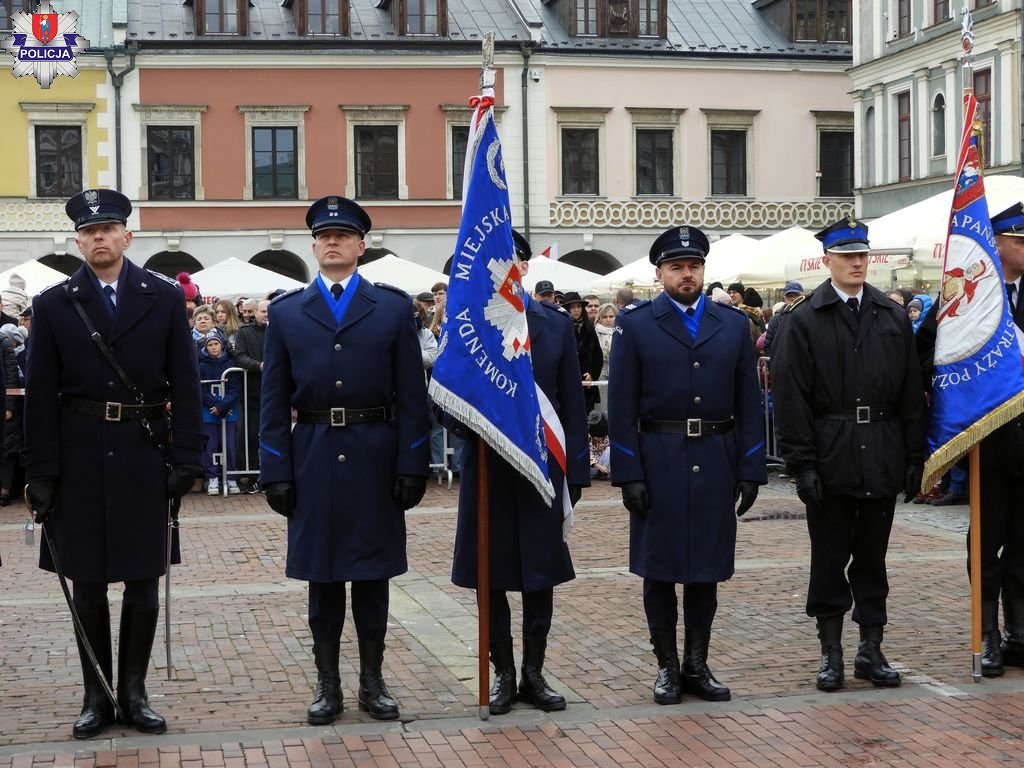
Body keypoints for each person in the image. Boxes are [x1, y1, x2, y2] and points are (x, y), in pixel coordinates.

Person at [23, 188, 204, 739]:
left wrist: (187, 457)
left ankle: (134, 693)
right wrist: (41, 472)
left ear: (127, 236)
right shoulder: (55, 304)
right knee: (88, 582)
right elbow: (40, 395)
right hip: (78, 455)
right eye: (88, 231)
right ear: (78, 241)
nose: (98, 237)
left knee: (143, 579)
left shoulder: (162, 297)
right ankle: (96, 696)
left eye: (107, 229)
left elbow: (186, 383)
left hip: (143, 453)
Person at [259, 195, 429, 724]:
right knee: (323, 578)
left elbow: (412, 395)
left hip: (375, 454)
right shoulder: (287, 311)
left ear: (361, 245)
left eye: (343, 235)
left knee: (373, 576)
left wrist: (412, 463)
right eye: (324, 236)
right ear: (313, 247)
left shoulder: (393, 308)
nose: (332, 242)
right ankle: (327, 682)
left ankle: (372, 681)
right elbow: (271, 399)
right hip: (311, 454)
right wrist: (275, 469)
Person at [608, 225, 765, 706]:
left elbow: (748, 400)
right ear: (659, 274)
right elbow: (622, 405)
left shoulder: (732, 324)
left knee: (706, 569)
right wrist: (629, 473)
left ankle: (697, 663)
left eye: (694, 266)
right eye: (676, 267)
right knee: (659, 569)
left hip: (716, 457)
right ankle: (667, 667)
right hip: (660, 458)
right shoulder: (636, 324)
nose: (687, 274)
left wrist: (750, 468)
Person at [771, 216, 926, 693]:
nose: (857, 263)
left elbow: (911, 392)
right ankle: (831, 651)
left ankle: (871, 649)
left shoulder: (891, 315)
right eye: (846, 256)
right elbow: (791, 399)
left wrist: (914, 457)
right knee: (829, 557)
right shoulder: (804, 319)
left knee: (873, 558)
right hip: (831, 450)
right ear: (828, 261)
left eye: (862, 255)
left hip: (880, 448)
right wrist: (801, 465)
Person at [451, 228, 590, 716]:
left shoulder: (554, 325)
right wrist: (472, 417)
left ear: (525, 267)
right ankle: (504, 674)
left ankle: (534, 672)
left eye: (512, 259)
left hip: (541, 468)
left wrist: (576, 472)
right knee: (489, 575)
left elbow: (571, 402)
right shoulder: (468, 323)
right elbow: (445, 400)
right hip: (488, 466)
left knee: (539, 573)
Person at [916, 202, 1024, 675]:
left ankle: (1019, 631)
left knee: (1023, 545)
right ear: (995, 245)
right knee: (986, 545)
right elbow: (926, 355)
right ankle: (987, 633)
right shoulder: (964, 295)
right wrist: (962, 388)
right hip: (988, 444)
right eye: (1019, 241)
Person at [232, 298, 269, 493]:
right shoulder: (244, 332)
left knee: (272, 436)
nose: (266, 314)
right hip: (249, 393)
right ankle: (251, 475)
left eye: (269, 311)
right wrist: (259, 366)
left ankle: (271, 475)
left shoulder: (280, 331)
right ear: (256, 313)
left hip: (273, 394)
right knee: (248, 436)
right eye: (263, 311)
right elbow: (239, 356)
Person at [198, 330, 241, 496]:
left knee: (229, 446)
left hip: (228, 411)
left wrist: (223, 406)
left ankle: (231, 477)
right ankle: (212, 478)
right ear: (206, 348)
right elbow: (201, 389)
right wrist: (215, 405)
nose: (213, 347)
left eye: (216, 344)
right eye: (210, 345)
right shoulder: (201, 366)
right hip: (209, 412)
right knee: (211, 446)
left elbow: (235, 388)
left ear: (221, 346)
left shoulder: (230, 365)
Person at [561, 291, 603, 414]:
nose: (576, 310)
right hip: (567, 382)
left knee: (588, 416)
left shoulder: (589, 328)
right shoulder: (561, 328)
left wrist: (592, 375)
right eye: (572, 307)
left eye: (579, 306)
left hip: (587, 383)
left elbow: (597, 355)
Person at [763, 281, 804, 356]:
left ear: (802, 297)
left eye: (796, 295)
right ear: (784, 298)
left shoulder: (808, 318)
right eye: (789, 296)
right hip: (781, 360)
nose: (793, 299)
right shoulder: (775, 320)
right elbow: (768, 345)